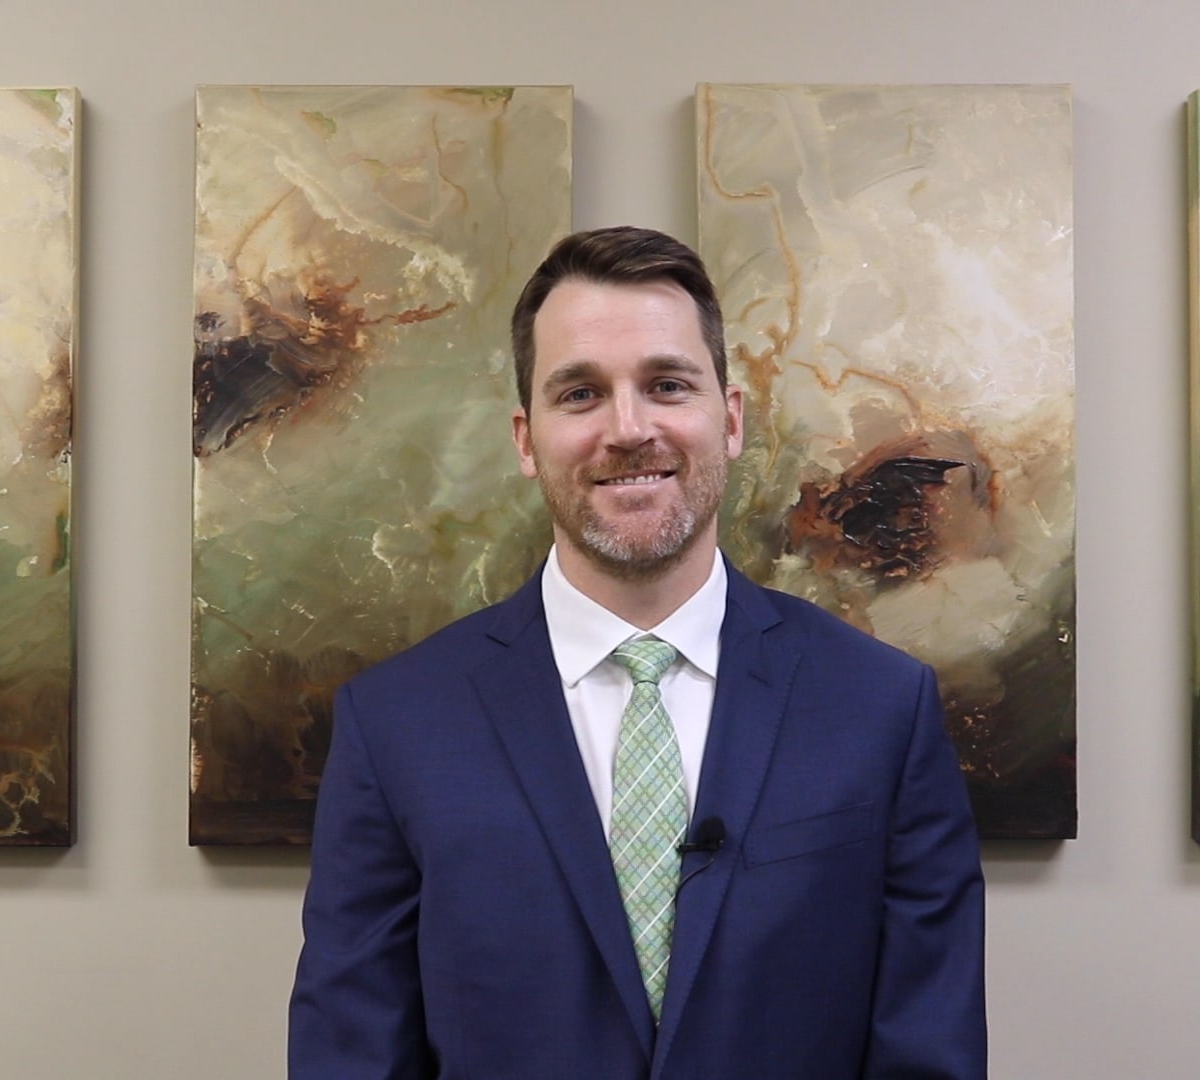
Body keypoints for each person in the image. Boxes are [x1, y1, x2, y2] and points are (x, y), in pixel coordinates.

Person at [289, 226, 985, 1079]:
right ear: (524, 437)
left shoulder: (883, 706)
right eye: (580, 394)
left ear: (727, 420)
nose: (629, 428)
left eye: (666, 384)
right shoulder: (394, 724)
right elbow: (350, 1058)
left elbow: (930, 1054)